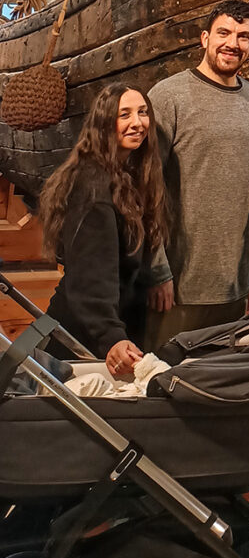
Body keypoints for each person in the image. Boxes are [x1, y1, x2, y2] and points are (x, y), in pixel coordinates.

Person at [144, 0, 249, 348]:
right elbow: (145, 188)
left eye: (243, 36)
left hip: (232, 284)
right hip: (178, 284)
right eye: (224, 33)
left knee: (216, 386)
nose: (232, 43)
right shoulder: (168, 96)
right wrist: (156, 270)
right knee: (162, 384)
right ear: (205, 38)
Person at [38, 84, 168, 376]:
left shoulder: (125, 177)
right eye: (125, 114)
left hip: (108, 325)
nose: (138, 122)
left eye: (143, 112)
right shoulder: (92, 187)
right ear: (105, 123)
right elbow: (90, 276)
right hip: (82, 336)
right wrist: (112, 336)